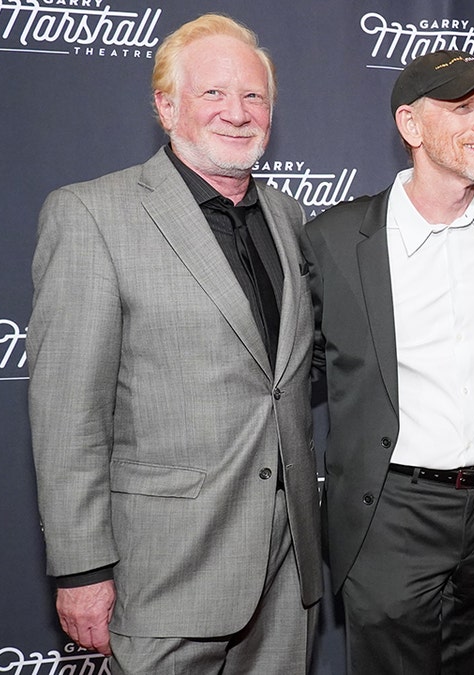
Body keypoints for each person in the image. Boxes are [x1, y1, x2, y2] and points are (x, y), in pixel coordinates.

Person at [27, 13, 321, 673]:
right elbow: (68, 413)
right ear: (167, 106)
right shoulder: (92, 214)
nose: (238, 112)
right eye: (213, 93)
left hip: (284, 568)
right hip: (163, 571)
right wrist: (81, 568)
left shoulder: (290, 216)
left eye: (254, 96)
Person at [300, 50, 474, 674]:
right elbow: (298, 373)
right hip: (391, 511)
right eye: (462, 108)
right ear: (410, 125)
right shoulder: (335, 240)